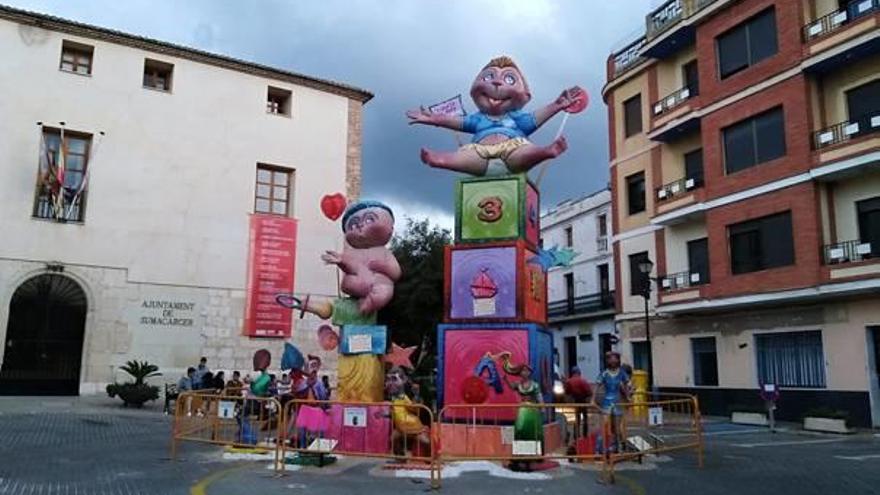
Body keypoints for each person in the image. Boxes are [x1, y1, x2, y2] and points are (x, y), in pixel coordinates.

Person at [591, 351, 630, 455]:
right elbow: (597, 385)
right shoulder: (604, 373)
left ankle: (616, 447)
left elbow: (626, 384)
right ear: (607, 361)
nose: (613, 361)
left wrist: (627, 396)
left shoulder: (621, 373)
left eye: (614, 358)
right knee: (603, 426)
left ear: (618, 360)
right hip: (607, 402)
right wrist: (593, 399)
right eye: (610, 359)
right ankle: (598, 449)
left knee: (616, 428)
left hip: (617, 402)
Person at [564, 366, 593, 437]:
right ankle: (585, 435)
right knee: (585, 418)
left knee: (577, 418)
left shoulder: (569, 381)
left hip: (575, 401)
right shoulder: (583, 381)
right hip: (584, 401)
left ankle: (576, 435)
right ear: (579, 372)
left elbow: (567, 392)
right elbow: (589, 392)